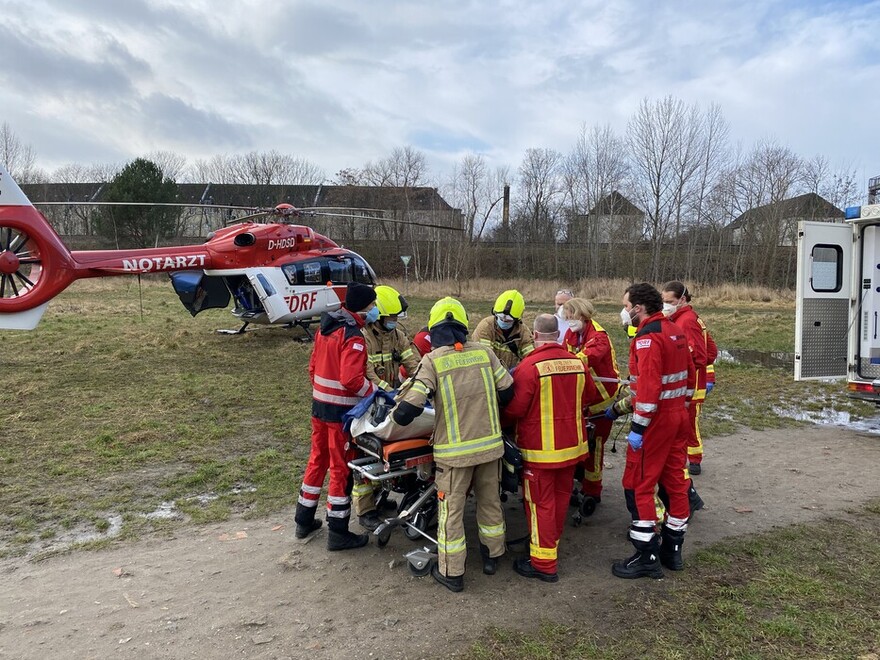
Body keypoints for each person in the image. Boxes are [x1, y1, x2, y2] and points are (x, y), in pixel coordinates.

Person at [391, 297, 514, 592]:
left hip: (455, 456)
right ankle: (492, 556)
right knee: (490, 504)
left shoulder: (433, 360)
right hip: (490, 449)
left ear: (435, 330)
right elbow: (508, 392)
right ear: (463, 326)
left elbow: (408, 410)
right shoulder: (485, 353)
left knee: (452, 514)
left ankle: (452, 572)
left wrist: (398, 410)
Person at [502, 314, 598, 582]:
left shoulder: (529, 366)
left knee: (539, 504)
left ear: (534, 336)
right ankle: (547, 545)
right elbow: (589, 396)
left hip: (540, 452)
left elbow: (515, 409)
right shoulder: (577, 362)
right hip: (573, 448)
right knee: (559, 500)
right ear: (557, 335)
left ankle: (544, 564)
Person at [609, 283, 694, 578]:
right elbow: (690, 376)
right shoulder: (675, 330)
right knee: (675, 482)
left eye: (626, 305)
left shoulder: (647, 338)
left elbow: (648, 388)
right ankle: (673, 549)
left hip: (656, 421)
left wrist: (638, 426)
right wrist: (680, 406)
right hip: (678, 417)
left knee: (640, 484)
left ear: (638, 307)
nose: (624, 311)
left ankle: (647, 556)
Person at [294, 282, 378, 551]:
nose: (375, 310)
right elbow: (351, 379)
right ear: (363, 308)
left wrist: (322, 393)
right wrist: (374, 393)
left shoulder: (325, 328)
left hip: (319, 408)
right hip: (341, 415)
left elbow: (313, 368)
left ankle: (303, 519)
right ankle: (338, 532)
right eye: (373, 306)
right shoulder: (352, 336)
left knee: (317, 460)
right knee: (341, 469)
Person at [354, 285, 422, 531]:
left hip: (390, 401)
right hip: (367, 402)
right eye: (390, 318)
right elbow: (366, 371)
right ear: (379, 316)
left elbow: (413, 363)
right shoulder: (363, 335)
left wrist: (422, 385)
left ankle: (385, 497)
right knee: (364, 458)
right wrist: (387, 390)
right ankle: (366, 510)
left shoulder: (397, 336)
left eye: (396, 318)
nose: (394, 322)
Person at [561, 297, 620, 508]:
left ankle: (593, 490)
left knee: (595, 446)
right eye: (566, 317)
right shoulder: (572, 333)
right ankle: (580, 479)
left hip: (602, 400)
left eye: (571, 317)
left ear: (582, 315)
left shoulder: (599, 337)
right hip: (584, 398)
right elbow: (564, 352)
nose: (568, 321)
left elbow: (582, 359)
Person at [661, 281, 716, 475]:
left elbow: (701, 356)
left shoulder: (687, 321)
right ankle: (687, 457)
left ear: (682, 299)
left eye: (669, 301)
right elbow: (712, 349)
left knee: (689, 424)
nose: (665, 305)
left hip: (691, 384)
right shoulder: (683, 318)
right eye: (663, 301)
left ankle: (694, 460)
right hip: (687, 382)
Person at [473, 289, 535, 370]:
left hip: (514, 375)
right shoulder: (485, 327)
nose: (503, 321)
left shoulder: (523, 332)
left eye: (508, 321)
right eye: (500, 318)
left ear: (517, 320)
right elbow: (484, 358)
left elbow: (531, 359)